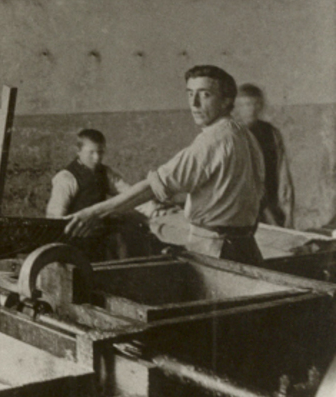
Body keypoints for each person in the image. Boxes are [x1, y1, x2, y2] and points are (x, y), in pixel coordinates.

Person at [64, 65, 266, 265]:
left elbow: (153, 187)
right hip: (246, 246)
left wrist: (94, 213)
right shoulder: (244, 134)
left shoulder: (213, 140)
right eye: (190, 94)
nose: (194, 104)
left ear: (226, 100)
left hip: (217, 251)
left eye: (205, 95)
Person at [47, 128, 153, 259]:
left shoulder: (106, 173)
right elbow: (55, 219)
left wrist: (155, 209)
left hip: (100, 237)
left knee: (132, 233)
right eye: (91, 153)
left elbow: (131, 195)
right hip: (76, 241)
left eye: (100, 152)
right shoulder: (66, 178)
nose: (97, 158)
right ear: (78, 151)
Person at [236, 83, 294, 228]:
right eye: (246, 104)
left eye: (255, 104)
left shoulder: (272, 133)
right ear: (237, 107)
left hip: (272, 201)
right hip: (243, 206)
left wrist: (288, 212)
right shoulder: (234, 133)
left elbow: (283, 173)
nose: (251, 109)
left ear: (261, 105)